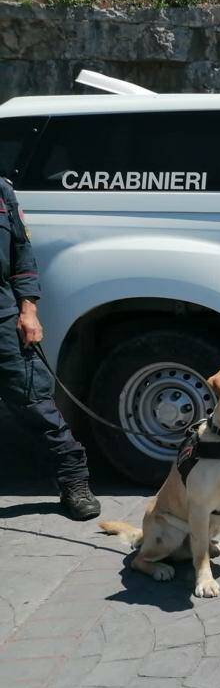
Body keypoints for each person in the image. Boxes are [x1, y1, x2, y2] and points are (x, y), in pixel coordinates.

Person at [0, 175, 99, 520]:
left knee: (36, 403)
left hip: (2, 317)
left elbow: (21, 254)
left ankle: (74, 481)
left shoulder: (2, 190)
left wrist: (29, 310)